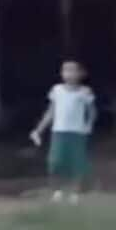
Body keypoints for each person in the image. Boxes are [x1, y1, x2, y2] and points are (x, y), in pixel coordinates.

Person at [30, 59, 97, 204]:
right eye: (65, 70)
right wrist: (39, 129)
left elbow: (92, 111)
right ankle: (57, 191)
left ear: (80, 73)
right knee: (55, 162)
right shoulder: (57, 90)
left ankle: (75, 193)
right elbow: (50, 112)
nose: (69, 73)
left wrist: (88, 126)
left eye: (72, 70)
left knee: (77, 163)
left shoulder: (85, 92)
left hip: (77, 133)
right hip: (59, 132)